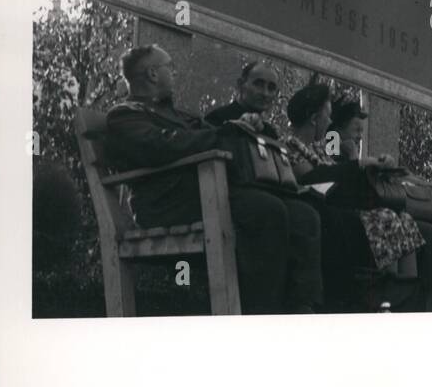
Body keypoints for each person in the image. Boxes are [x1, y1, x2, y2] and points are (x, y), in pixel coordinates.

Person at [105, 46, 324, 315]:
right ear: (152, 73)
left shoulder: (182, 116)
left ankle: (302, 309)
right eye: (169, 67)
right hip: (168, 203)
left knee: (305, 215)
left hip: (209, 192)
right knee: (266, 210)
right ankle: (261, 315)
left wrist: (242, 127)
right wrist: (225, 134)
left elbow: (219, 135)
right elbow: (162, 146)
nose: (174, 73)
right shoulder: (125, 114)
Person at [283, 83, 424, 310]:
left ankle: (406, 296)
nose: (330, 123)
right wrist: (357, 164)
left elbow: (337, 174)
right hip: (325, 214)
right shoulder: (289, 147)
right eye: (327, 116)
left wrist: (372, 166)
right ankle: (386, 297)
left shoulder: (319, 148)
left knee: (405, 220)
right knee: (386, 219)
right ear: (313, 118)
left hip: (339, 209)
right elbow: (310, 178)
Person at [327, 95, 432, 305]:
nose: (359, 137)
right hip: (350, 217)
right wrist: (353, 159)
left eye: (361, 131)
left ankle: (413, 288)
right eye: (355, 130)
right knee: (397, 222)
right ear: (337, 132)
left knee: (424, 227)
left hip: (374, 212)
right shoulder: (331, 152)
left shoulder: (354, 155)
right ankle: (396, 289)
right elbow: (342, 185)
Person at [205, 60, 281, 133]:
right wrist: (230, 129)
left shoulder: (269, 132)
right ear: (241, 84)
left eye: (271, 88)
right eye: (259, 85)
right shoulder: (217, 119)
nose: (265, 93)